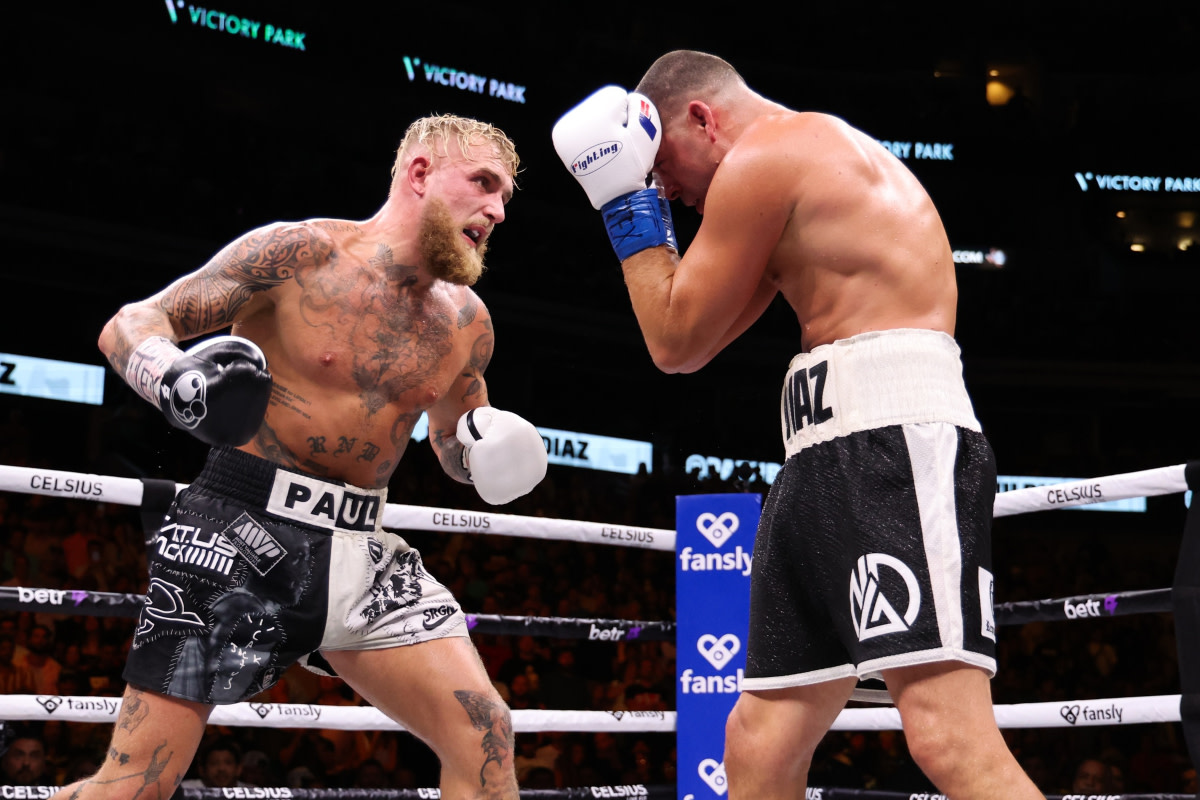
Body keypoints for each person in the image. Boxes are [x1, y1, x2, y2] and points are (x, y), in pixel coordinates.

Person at [552, 50, 1042, 799]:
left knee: (947, 737)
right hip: (821, 454)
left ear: (701, 119)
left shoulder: (769, 158)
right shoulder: (792, 176)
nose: (668, 191)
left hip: (893, 444)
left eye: (661, 167)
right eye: (649, 182)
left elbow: (672, 339)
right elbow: (693, 343)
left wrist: (624, 205)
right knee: (759, 740)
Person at [55, 114, 548, 800]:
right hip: (239, 529)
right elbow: (131, 325)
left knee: (486, 734)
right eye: (484, 184)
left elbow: (452, 436)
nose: (496, 210)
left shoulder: (469, 321)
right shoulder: (300, 254)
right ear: (420, 174)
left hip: (364, 548)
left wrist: (485, 453)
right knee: (136, 784)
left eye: (504, 199)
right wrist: (177, 379)